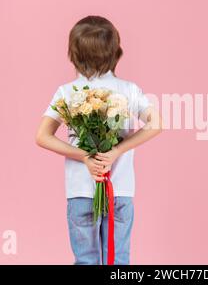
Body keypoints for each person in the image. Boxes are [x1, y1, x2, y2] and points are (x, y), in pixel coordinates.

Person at [35, 16, 162, 265]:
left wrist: (84, 157)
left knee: (85, 260)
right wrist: (117, 151)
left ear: (74, 54)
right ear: (116, 51)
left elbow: (42, 136)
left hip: (80, 191)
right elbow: (156, 124)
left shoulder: (68, 92)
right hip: (121, 190)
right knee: (119, 260)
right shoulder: (129, 90)